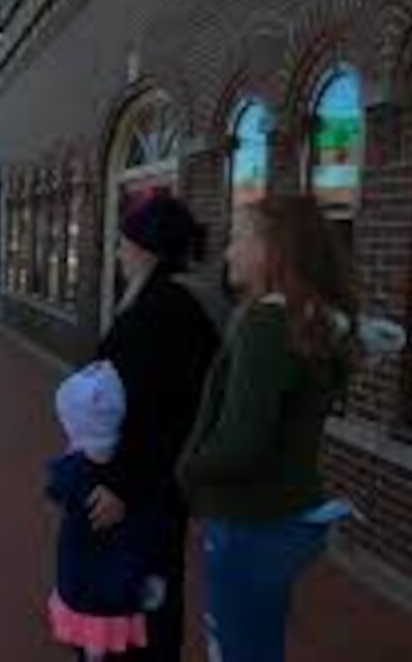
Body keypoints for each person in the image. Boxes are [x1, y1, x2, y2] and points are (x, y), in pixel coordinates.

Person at [177, 196, 371, 662]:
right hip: (284, 519)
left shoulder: (267, 323)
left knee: (239, 651)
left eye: (239, 239)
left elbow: (241, 443)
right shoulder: (312, 320)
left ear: (275, 250)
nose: (227, 253)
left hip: (248, 524)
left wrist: (185, 473)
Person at [90, 194, 223, 662]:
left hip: (144, 488)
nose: (119, 254)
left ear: (145, 248)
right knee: (157, 589)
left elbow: (154, 412)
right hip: (166, 482)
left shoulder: (157, 313)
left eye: (124, 243)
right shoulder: (185, 302)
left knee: (139, 593)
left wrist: (121, 485)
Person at [46, 361, 168, 662]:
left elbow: (54, 487)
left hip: (82, 582)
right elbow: (151, 524)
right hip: (123, 585)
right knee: (116, 641)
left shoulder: (72, 472)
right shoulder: (130, 479)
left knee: (90, 645)